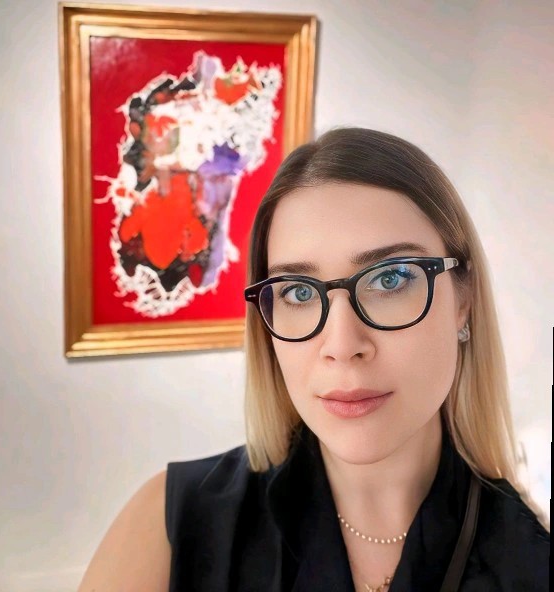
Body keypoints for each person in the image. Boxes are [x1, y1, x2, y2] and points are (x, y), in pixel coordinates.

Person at [77, 128, 549, 592]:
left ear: (463, 299)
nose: (341, 345)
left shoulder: (531, 561)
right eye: (298, 293)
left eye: (390, 279)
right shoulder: (170, 528)